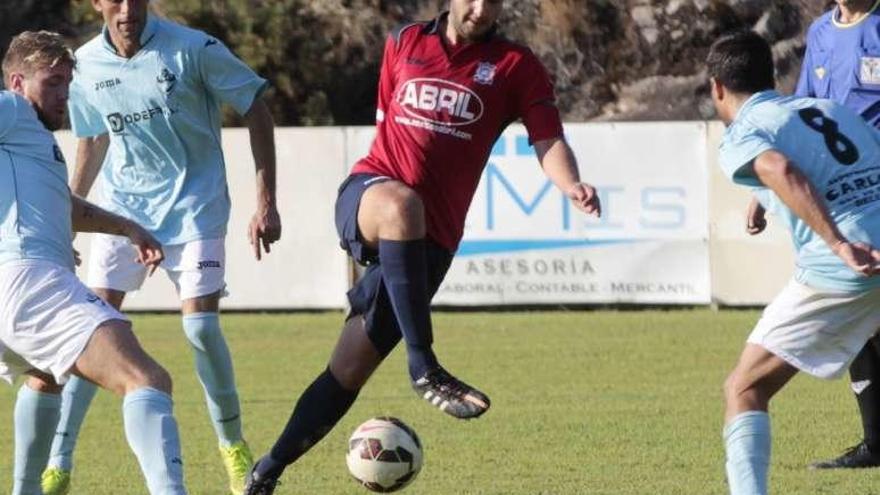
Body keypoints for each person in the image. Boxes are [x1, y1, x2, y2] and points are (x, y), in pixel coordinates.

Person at [243, 0, 601, 492]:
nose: (479, 9)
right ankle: (424, 365)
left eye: (492, 1)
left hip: (430, 243)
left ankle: (268, 469)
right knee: (401, 204)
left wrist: (571, 184)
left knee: (346, 372)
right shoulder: (404, 42)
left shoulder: (516, 66)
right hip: (370, 194)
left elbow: (548, 139)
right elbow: (386, 126)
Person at [30, 1, 281, 494]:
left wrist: (266, 202)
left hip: (196, 207)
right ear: (97, 4)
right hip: (124, 211)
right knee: (90, 329)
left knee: (201, 328)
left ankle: (233, 446)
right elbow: (91, 142)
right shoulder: (85, 65)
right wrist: (70, 226)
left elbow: (256, 107)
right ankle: (58, 462)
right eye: (116, 0)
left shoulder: (193, 49)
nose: (128, 9)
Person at [0, 30, 188, 495]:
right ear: (18, 82)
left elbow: (66, 208)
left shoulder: (31, 141)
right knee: (145, 378)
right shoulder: (12, 110)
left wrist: (129, 227)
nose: (64, 95)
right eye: (53, 82)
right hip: (27, 279)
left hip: (20, 283)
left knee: (45, 377)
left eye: (68, 82)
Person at [710, 29, 880, 494]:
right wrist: (764, 197)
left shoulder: (742, 132)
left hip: (848, 266)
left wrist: (840, 243)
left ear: (717, 89)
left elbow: (778, 168)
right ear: (772, 78)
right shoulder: (829, 110)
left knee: (744, 389)